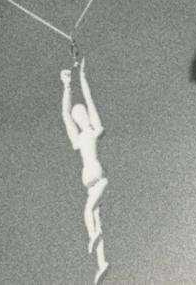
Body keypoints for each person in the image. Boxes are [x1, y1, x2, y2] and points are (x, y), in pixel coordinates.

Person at [60, 59, 109, 283]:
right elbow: (65, 116)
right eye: (77, 116)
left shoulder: (92, 130)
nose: (78, 117)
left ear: (86, 116)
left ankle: (93, 236)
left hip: (98, 180)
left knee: (88, 214)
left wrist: (82, 77)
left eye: (81, 114)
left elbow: (89, 99)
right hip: (91, 186)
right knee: (95, 219)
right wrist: (67, 86)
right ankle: (101, 264)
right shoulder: (79, 138)